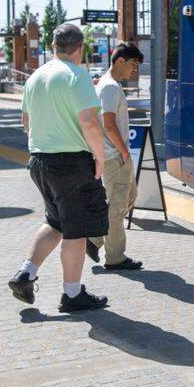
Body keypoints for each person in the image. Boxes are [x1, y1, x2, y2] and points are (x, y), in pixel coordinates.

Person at [7, 23, 110, 313]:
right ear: (80, 49)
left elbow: (26, 122)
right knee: (75, 231)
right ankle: (72, 295)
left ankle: (25, 274)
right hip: (72, 165)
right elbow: (89, 122)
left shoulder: (35, 77)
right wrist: (100, 157)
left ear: (53, 47)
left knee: (56, 222)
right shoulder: (76, 76)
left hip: (40, 161)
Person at [85, 43, 144, 271]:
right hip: (114, 156)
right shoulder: (110, 88)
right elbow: (109, 124)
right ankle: (115, 257)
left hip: (113, 156)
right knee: (117, 207)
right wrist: (124, 151)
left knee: (128, 197)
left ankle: (95, 240)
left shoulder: (107, 85)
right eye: (133, 65)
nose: (134, 70)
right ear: (120, 61)